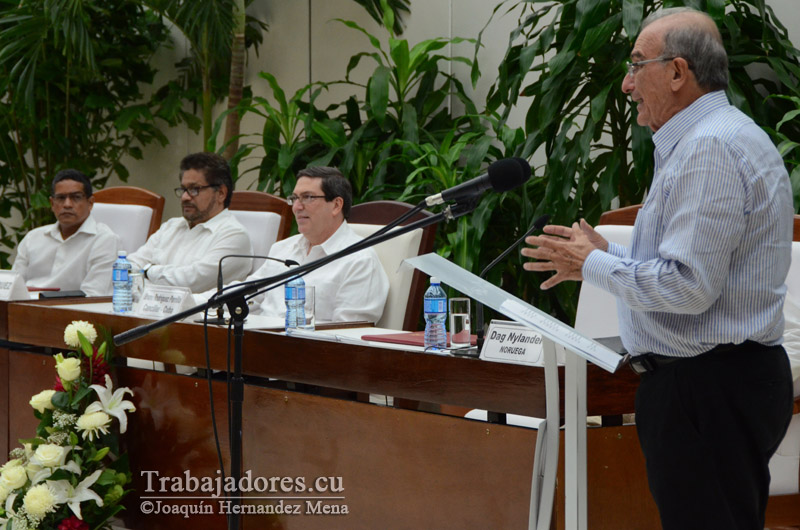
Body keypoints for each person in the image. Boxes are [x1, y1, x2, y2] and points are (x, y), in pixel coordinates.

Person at [521, 8, 794, 529]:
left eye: (636, 65)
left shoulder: (709, 149)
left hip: (708, 390)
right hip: (715, 384)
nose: (626, 85)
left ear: (677, 72)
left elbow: (688, 288)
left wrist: (594, 263)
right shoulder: (714, 137)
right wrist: (604, 256)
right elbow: (696, 270)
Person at [205, 166, 389, 323]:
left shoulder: (359, 261)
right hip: (257, 343)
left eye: (308, 197)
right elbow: (247, 294)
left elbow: (348, 335)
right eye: (294, 198)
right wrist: (194, 302)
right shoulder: (283, 249)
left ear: (336, 205)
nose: (296, 207)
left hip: (306, 351)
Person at [128, 152, 252, 293]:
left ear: (221, 193)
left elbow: (190, 283)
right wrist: (146, 277)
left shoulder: (234, 236)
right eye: (183, 189)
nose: (185, 197)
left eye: (194, 189)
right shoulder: (171, 226)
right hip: (145, 305)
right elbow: (128, 267)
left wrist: (147, 271)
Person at [12, 169, 120, 296]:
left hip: (71, 307)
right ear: (52, 204)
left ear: (90, 203)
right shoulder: (33, 237)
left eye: (76, 197)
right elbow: (12, 286)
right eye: (61, 198)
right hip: (23, 305)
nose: (67, 204)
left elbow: (93, 295)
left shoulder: (104, 240)